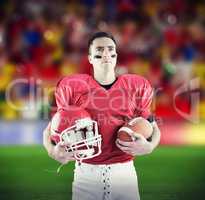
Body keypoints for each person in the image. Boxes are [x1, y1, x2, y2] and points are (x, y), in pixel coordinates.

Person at [43, 31, 161, 200]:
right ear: (90, 58)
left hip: (125, 175)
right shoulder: (74, 87)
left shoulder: (136, 86)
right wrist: (52, 151)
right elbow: (50, 129)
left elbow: (153, 127)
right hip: (86, 175)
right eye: (99, 49)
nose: (105, 53)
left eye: (110, 48)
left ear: (116, 56)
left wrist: (150, 147)